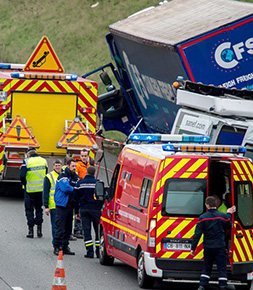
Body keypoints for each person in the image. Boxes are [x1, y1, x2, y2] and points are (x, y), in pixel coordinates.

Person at [191, 196, 236, 290]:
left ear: (207, 205)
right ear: (216, 204)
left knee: (207, 267)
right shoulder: (222, 216)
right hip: (220, 246)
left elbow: (197, 234)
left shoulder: (202, 218)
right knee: (221, 267)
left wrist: (193, 248)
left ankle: (202, 285)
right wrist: (228, 213)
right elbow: (229, 225)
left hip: (208, 247)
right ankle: (222, 285)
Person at [74, 166, 103, 258]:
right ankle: (98, 251)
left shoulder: (80, 183)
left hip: (84, 209)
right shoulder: (98, 183)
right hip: (96, 210)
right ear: (94, 173)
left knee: (86, 231)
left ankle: (89, 252)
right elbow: (102, 197)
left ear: (86, 172)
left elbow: (75, 198)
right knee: (98, 231)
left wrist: (76, 211)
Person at [20, 147, 48, 238]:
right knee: (39, 209)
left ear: (28, 154)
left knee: (29, 210)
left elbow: (22, 176)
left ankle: (31, 231)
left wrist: (25, 184)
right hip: (41, 190)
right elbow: (46, 174)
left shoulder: (27, 162)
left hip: (30, 190)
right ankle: (39, 230)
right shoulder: (44, 161)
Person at [53, 158, 79, 256]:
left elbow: (76, 186)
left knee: (68, 228)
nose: (74, 168)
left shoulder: (75, 176)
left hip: (70, 205)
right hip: (62, 205)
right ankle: (57, 246)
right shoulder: (63, 176)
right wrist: (75, 189)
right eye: (73, 166)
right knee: (60, 227)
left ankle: (65, 246)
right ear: (67, 166)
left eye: (75, 166)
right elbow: (66, 188)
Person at [74, 149, 94, 239]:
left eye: (85, 156)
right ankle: (77, 230)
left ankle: (82, 229)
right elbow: (77, 178)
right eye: (82, 156)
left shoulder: (89, 166)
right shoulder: (78, 166)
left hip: (87, 190)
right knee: (78, 210)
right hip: (81, 189)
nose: (84, 157)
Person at [43, 159, 62, 246]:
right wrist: (46, 206)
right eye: (56, 165)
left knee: (63, 227)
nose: (57, 167)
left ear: (61, 166)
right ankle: (56, 245)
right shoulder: (49, 176)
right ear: (53, 166)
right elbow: (45, 192)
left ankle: (62, 245)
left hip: (63, 205)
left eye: (59, 165)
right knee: (55, 227)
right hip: (53, 205)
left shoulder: (64, 175)